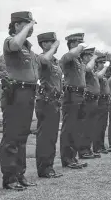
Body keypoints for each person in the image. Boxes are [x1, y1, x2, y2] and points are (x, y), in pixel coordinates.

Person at [0, 11, 38, 190]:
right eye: (26, 24)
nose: (31, 28)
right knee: (12, 136)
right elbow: (15, 44)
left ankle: (19, 174)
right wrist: (29, 26)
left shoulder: (27, 47)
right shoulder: (10, 41)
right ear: (16, 25)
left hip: (28, 92)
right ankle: (9, 178)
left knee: (22, 136)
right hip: (16, 92)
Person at [35, 32, 63, 178]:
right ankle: (44, 168)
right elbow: (45, 59)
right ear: (44, 44)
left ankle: (49, 166)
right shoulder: (41, 57)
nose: (55, 45)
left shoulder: (55, 62)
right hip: (46, 101)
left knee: (51, 136)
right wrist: (54, 47)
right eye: (51, 42)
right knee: (45, 136)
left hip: (54, 101)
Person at [60, 33, 88, 169]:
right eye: (79, 43)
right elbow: (70, 55)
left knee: (77, 128)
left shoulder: (79, 61)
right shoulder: (68, 57)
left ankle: (73, 157)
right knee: (69, 127)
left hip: (80, 95)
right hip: (71, 94)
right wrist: (77, 49)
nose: (81, 46)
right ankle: (67, 158)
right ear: (72, 45)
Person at [93, 54, 110, 154]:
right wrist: (106, 67)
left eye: (104, 63)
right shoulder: (96, 73)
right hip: (99, 101)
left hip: (105, 101)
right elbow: (99, 76)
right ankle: (97, 146)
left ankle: (101, 145)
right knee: (98, 125)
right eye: (101, 63)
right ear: (96, 64)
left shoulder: (103, 75)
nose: (103, 64)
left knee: (103, 125)